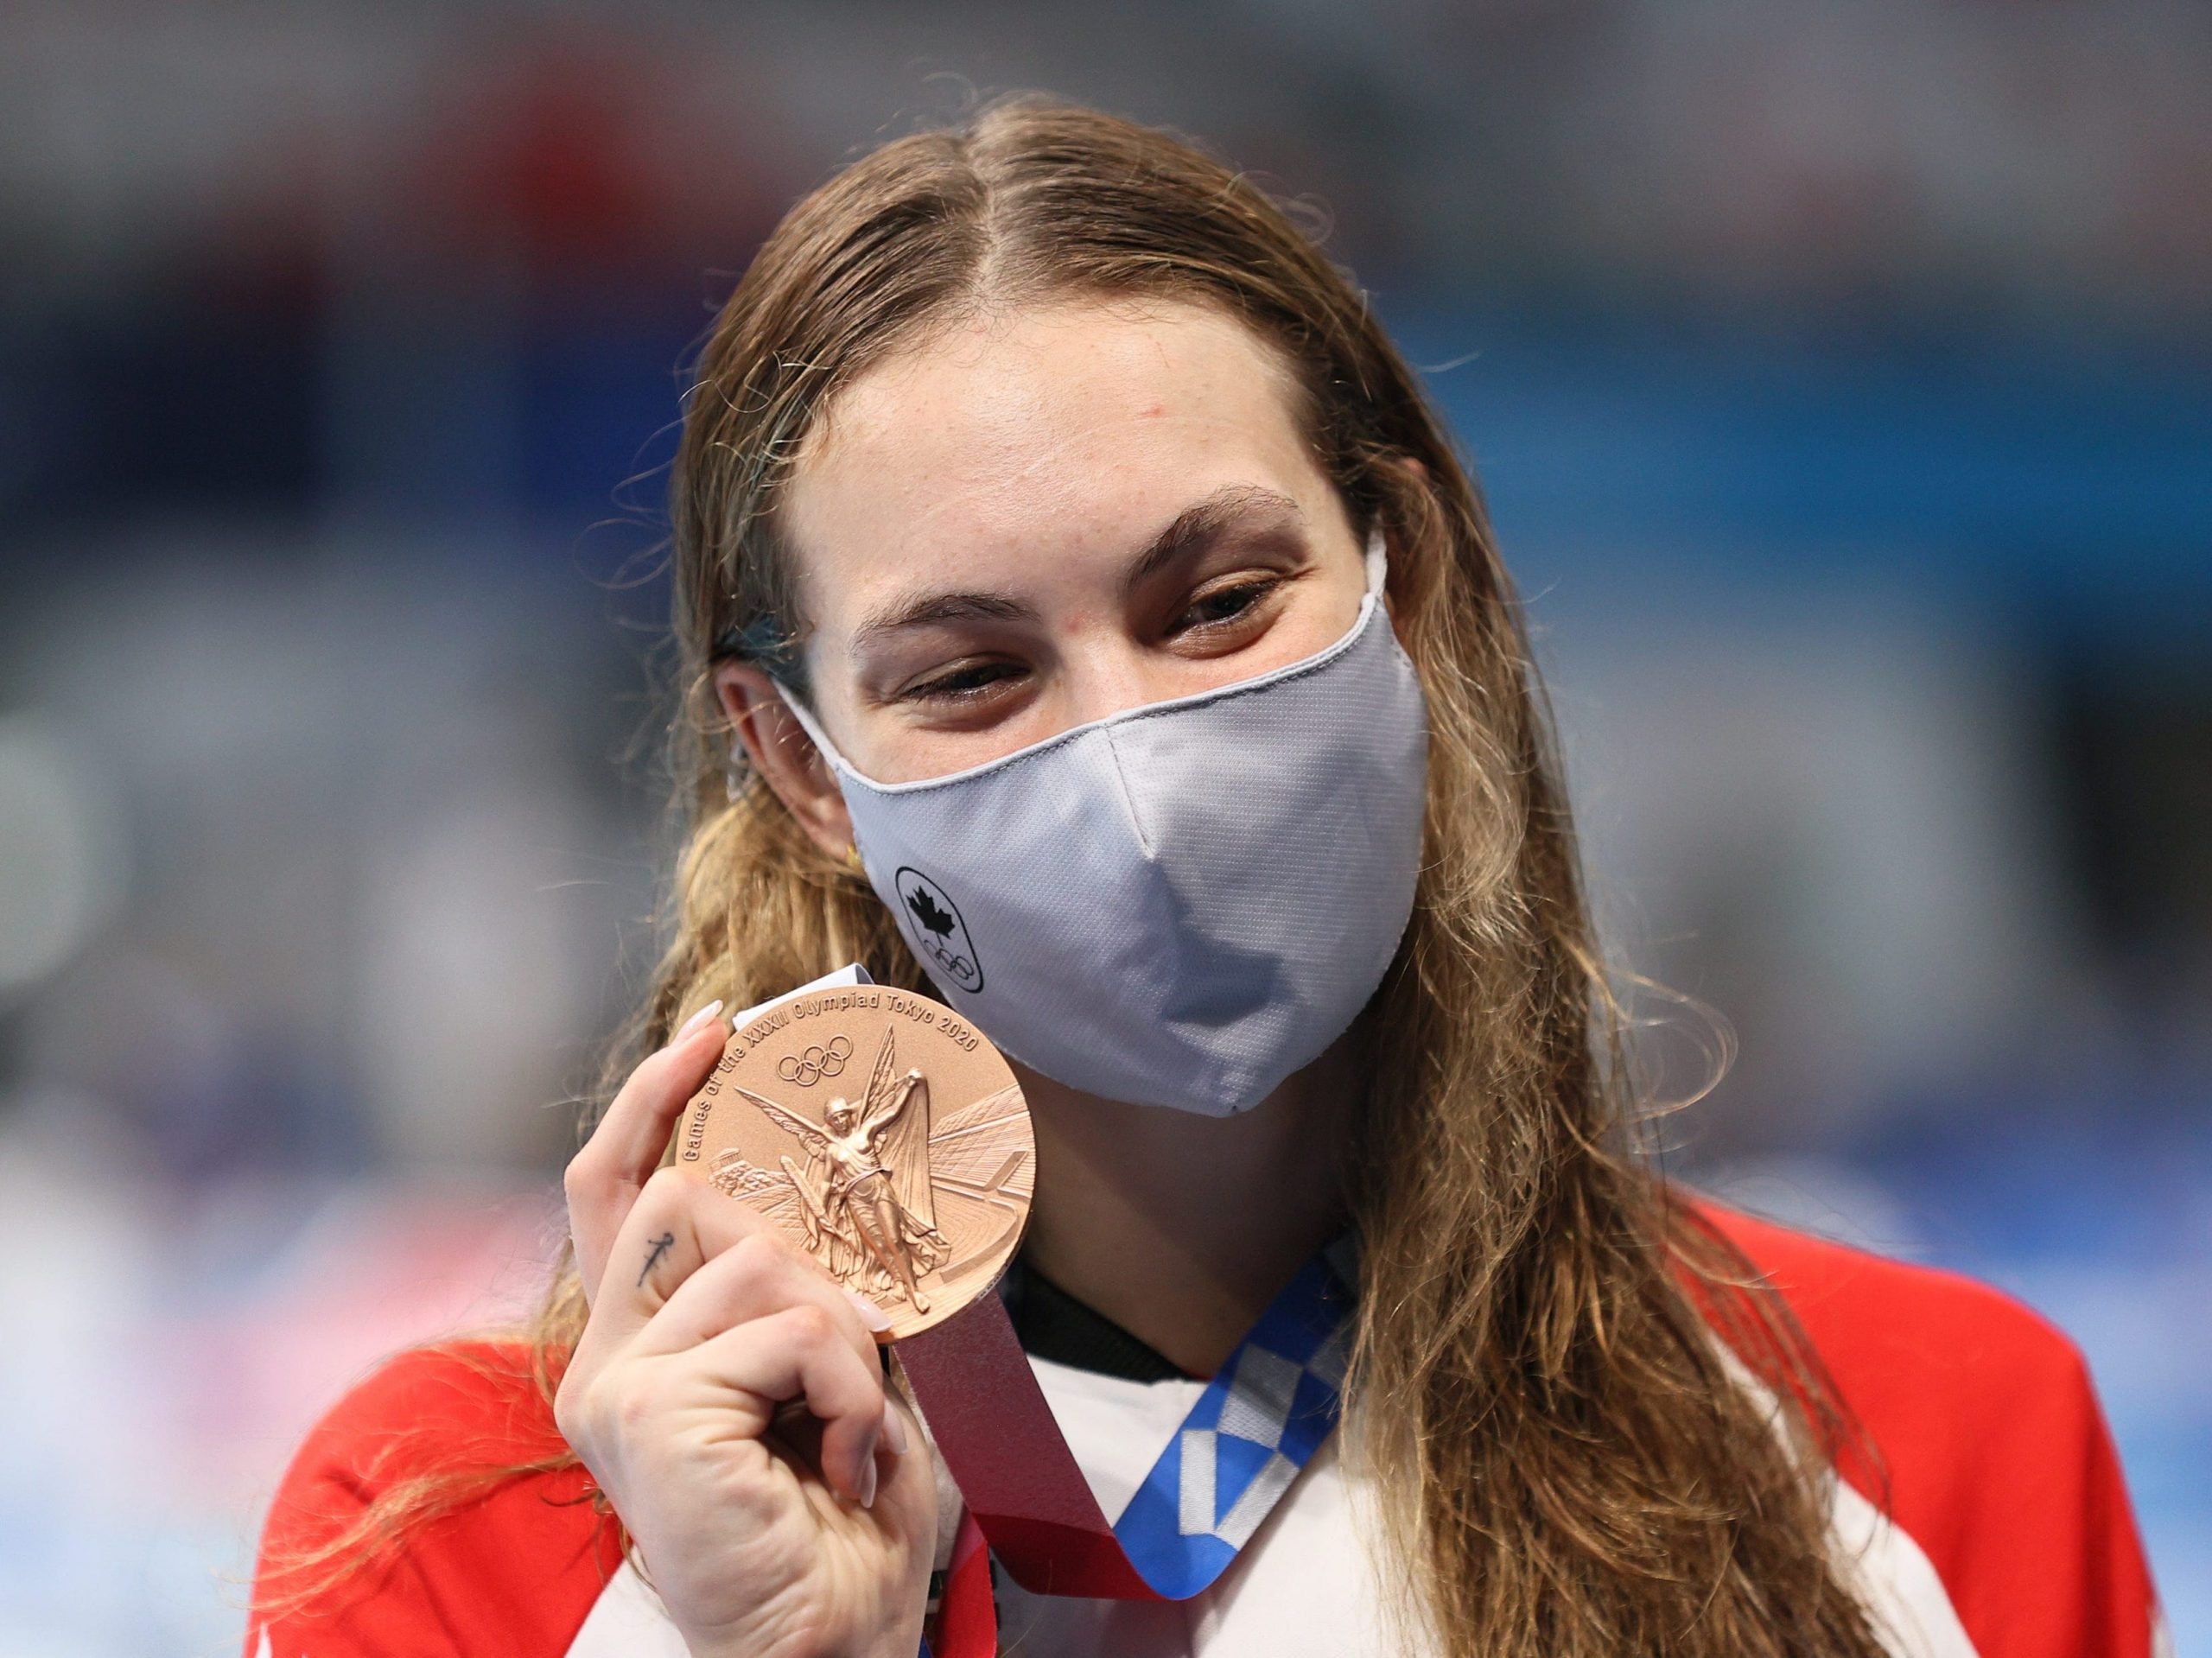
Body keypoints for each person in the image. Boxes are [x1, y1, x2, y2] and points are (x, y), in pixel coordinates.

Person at [245, 98, 2165, 1658]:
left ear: (1399, 579)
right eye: (972, 672)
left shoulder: (1925, 1440)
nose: (1133, 770)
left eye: (1219, 601)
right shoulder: (469, 1534)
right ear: (796, 767)